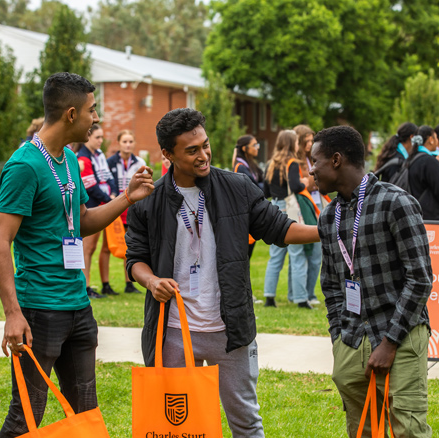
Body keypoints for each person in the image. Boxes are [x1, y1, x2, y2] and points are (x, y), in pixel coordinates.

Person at [125, 108, 319, 438]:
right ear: (167, 154)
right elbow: (134, 260)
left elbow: (279, 228)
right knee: (178, 428)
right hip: (173, 331)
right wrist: (151, 280)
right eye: (192, 150)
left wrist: (327, 230)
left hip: (230, 330)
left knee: (245, 422)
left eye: (205, 145)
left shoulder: (236, 186)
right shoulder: (150, 199)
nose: (203, 155)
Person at [0, 72, 154, 438]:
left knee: (86, 414)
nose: (97, 119)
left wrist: (127, 196)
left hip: (78, 305)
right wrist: (13, 314)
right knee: (26, 417)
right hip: (40, 308)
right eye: (92, 111)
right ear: (70, 114)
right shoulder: (24, 166)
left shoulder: (66, 159)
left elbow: (81, 221)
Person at [310, 125, 433, 438]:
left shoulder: (396, 203)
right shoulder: (328, 217)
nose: (311, 170)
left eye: (315, 161)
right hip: (352, 336)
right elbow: (332, 286)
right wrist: (339, 337)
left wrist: (389, 343)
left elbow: (420, 278)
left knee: (408, 430)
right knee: (362, 429)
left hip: (400, 334)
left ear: (336, 160)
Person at [262, 130, 313, 309]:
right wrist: (305, 182)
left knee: (275, 257)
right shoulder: (292, 163)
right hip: (290, 209)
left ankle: (269, 297)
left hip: (274, 208)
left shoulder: (270, 163)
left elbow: (266, 191)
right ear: (293, 144)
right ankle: (301, 299)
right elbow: (295, 185)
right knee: (297, 255)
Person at [77, 124, 118, 298]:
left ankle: (102, 284)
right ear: (88, 137)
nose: (100, 141)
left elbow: (109, 177)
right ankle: (85, 286)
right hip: (92, 205)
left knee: (99, 247)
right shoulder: (82, 157)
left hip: (103, 203)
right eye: (97, 137)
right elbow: (90, 186)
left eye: (102, 137)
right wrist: (110, 201)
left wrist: (114, 192)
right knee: (88, 248)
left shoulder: (100, 155)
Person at [103, 130, 146, 294]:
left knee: (130, 245)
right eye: (124, 141)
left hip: (131, 208)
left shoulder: (139, 162)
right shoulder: (110, 162)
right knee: (107, 246)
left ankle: (129, 283)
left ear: (134, 143)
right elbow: (106, 182)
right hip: (114, 207)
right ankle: (105, 284)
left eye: (130, 141)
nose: (128, 145)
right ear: (119, 143)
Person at [293, 124, 322, 305]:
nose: (310, 144)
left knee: (314, 254)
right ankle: (300, 295)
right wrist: (309, 181)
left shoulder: (312, 158)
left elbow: (313, 182)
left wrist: (309, 181)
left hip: (317, 203)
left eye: (312, 140)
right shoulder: (295, 161)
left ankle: (308, 293)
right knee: (302, 254)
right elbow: (303, 184)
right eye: (307, 141)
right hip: (303, 206)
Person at [407, 126, 439, 220]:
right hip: (430, 216)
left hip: (413, 212)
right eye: (436, 137)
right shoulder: (429, 161)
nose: (437, 141)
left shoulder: (410, 159)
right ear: (431, 139)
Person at [232, 134, 264, 259]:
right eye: (254, 145)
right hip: (243, 217)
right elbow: (257, 189)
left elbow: (263, 185)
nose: (257, 148)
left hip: (251, 216)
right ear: (244, 148)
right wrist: (263, 186)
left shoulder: (251, 166)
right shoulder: (240, 168)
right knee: (243, 257)